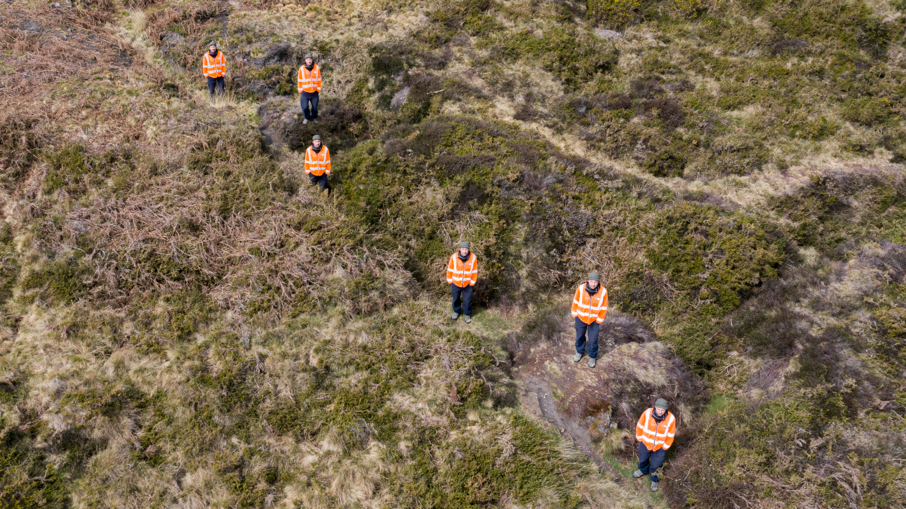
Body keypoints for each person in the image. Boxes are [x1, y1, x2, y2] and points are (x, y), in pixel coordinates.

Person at [634, 398, 676, 492]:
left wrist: (665, 447)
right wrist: (639, 438)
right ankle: (642, 470)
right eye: (659, 409)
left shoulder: (671, 418)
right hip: (645, 443)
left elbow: (671, 434)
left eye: (663, 410)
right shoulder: (647, 413)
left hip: (659, 447)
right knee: (643, 459)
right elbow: (640, 425)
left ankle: (654, 479)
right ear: (655, 407)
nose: (660, 412)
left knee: (657, 465)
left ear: (666, 410)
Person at [570, 272, 608, 368]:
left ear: (598, 282)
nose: (593, 284)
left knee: (593, 340)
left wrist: (600, 319)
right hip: (580, 318)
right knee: (579, 337)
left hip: (594, 321)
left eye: (595, 282)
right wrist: (574, 314)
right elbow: (575, 301)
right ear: (588, 281)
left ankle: (592, 356)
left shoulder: (603, 291)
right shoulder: (581, 288)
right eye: (591, 281)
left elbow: (604, 307)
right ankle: (579, 351)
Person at [446, 242, 478, 324]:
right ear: (460, 249)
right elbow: (450, 269)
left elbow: (475, 271)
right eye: (463, 249)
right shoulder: (454, 257)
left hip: (467, 285)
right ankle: (456, 312)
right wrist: (449, 280)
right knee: (456, 299)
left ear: (468, 249)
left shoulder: (473, 257)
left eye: (466, 249)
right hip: (455, 283)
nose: (464, 251)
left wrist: (472, 282)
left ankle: (467, 314)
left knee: (467, 301)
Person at [297, 53, 322, 124]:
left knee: (315, 107)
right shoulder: (301, 68)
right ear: (305, 61)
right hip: (305, 92)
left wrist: (318, 89)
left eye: (310, 59)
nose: (309, 61)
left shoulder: (317, 68)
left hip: (314, 92)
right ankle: (307, 117)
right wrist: (300, 89)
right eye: (307, 59)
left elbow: (319, 79)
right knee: (304, 107)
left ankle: (314, 117)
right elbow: (299, 80)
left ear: (312, 60)